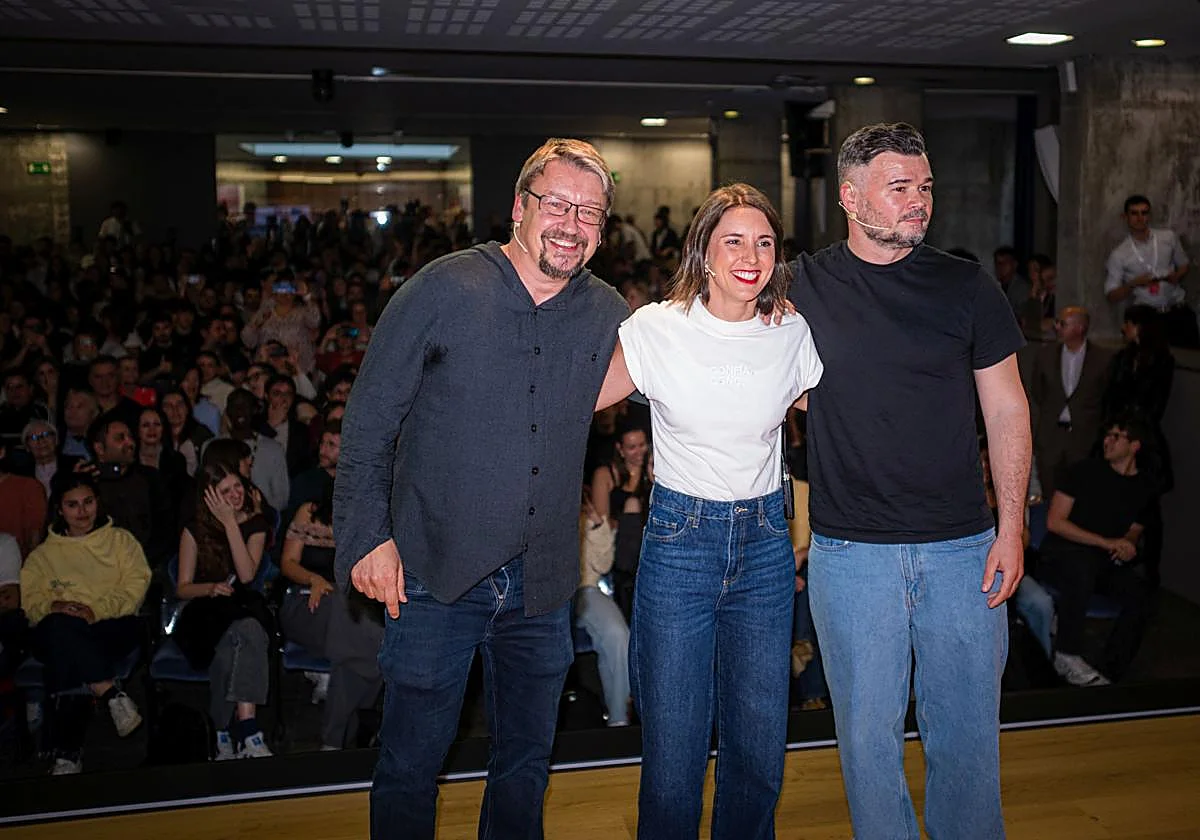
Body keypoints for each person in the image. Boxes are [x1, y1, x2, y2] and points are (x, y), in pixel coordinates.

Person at [334, 138, 629, 840]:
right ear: (519, 208)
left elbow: (689, 368)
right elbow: (369, 422)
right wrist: (367, 537)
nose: (571, 222)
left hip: (543, 584)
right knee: (411, 763)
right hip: (434, 573)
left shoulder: (609, 312)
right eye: (557, 203)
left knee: (526, 761)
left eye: (590, 212)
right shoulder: (441, 289)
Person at [788, 122, 1030, 840]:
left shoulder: (966, 284)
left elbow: (1008, 407)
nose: (918, 202)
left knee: (966, 745)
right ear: (851, 197)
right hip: (850, 557)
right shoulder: (804, 283)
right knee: (867, 749)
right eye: (900, 188)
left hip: (963, 551)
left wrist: (1013, 527)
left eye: (924, 188)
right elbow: (741, 357)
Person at [592, 182, 822, 839]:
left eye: (765, 242)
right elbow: (566, 404)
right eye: (734, 240)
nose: (750, 254)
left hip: (765, 547)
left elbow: (843, 413)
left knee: (756, 749)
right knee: (674, 753)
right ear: (703, 250)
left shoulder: (791, 333)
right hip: (679, 543)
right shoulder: (657, 328)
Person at [20, 473, 151, 775]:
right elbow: (30, 602)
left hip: (109, 625)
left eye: (88, 502)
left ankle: (67, 753)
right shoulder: (42, 556)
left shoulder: (121, 541)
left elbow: (135, 587)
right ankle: (108, 691)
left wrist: (95, 611)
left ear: (98, 502)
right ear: (60, 510)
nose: (82, 511)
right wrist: (55, 606)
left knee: (66, 646)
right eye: (73, 505)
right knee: (60, 628)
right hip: (57, 626)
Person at [1041, 416, 1157, 686]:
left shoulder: (1144, 486)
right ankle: (1066, 654)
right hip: (1062, 554)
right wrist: (1106, 542)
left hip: (1101, 561)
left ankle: (1111, 670)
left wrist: (1127, 545)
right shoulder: (1083, 472)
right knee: (1081, 570)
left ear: (1135, 446)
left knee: (1140, 595)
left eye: (1117, 436)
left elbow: (1135, 528)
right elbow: (1055, 522)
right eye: (1108, 434)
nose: (1108, 440)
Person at [174, 463, 274, 759]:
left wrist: (231, 524)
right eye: (225, 491)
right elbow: (182, 587)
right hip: (205, 609)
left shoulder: (256, 524)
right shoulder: (194, 530)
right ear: (209, 498)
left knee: (245, 632)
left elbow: (246, 575)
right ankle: (248, 734)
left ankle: (228, 730)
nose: (235, 495)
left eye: (238, 486)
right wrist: (210, 588)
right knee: (239, 633)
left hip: (242, 604)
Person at [279, 482, 384, 750]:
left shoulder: (370, 519)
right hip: (305, 600)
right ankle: (365, 715)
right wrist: (314, 579)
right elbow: (288, 563)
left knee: (349, 659)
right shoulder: (310, 512)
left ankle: (333, 743)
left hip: (349, 616)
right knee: (370, 637)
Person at [1027, 306, 1113, 501]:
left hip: (1084, 437)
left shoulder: (1102, 359)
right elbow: (1038, 391)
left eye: (1063, 324)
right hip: (1051, 436)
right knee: (1048, 492)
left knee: (1084, 494)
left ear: (1080, 328)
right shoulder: (1045, 355)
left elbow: (1106, 396)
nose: (1057, 327)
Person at [1104, 194, 1196, 347]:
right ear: (1125, 217)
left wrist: (1177, 276)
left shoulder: (1168, 237)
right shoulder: (1119, 254)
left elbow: (1184, 264)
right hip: (1147, 316)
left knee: (1190, 362)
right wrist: (1134, 284)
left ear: (1149, 215)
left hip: (1177, 310)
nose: (1140, 218)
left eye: (1144, 212)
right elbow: (1111, 295)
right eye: (1134, 213)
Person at [587, 421, 651, 620]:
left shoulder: (653, 470)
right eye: (632, 447)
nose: (639, 451)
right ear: (620, 450)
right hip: (617, 549)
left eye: (642, 445)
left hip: (647, 545)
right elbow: (603, 522)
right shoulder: (606, 474)